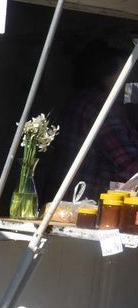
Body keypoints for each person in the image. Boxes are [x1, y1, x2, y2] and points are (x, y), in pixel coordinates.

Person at [53, 41, 138, 197]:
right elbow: (128, 163)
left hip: (64, 198)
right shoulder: (102, 107)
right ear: (107, 76)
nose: (130, 79)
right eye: (125, 72)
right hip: (90, 203)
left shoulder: (78, 100)